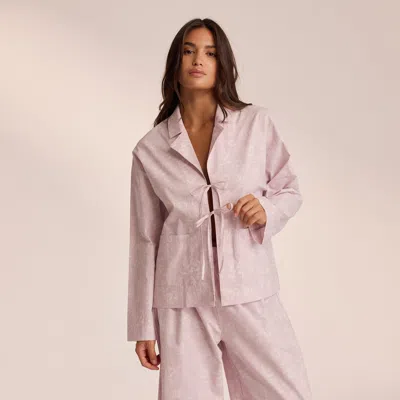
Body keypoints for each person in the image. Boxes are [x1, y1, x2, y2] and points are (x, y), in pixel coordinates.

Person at [127, 17, 313, 400]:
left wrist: (266, 209)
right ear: (175, 62)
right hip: (181, 298)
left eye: (210, 53)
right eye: (189, 51)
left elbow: (289, 189)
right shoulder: (150, 149)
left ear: (222, 63)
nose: (198, 60)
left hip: (250, 287)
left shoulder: (254, 124)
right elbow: (145, 239)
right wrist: (143, 325)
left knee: (286, 391)